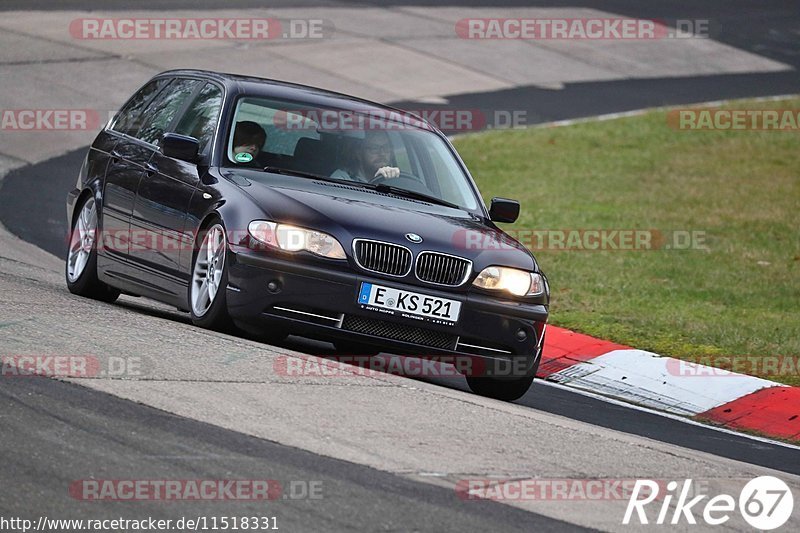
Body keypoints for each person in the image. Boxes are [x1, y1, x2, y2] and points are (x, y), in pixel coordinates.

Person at [331, 130, 400, 182]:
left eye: (386, 147)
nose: (382, 153)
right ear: (359, 153)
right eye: (374, 148)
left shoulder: (396, 179)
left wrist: (392, 180)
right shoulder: (342, 179)